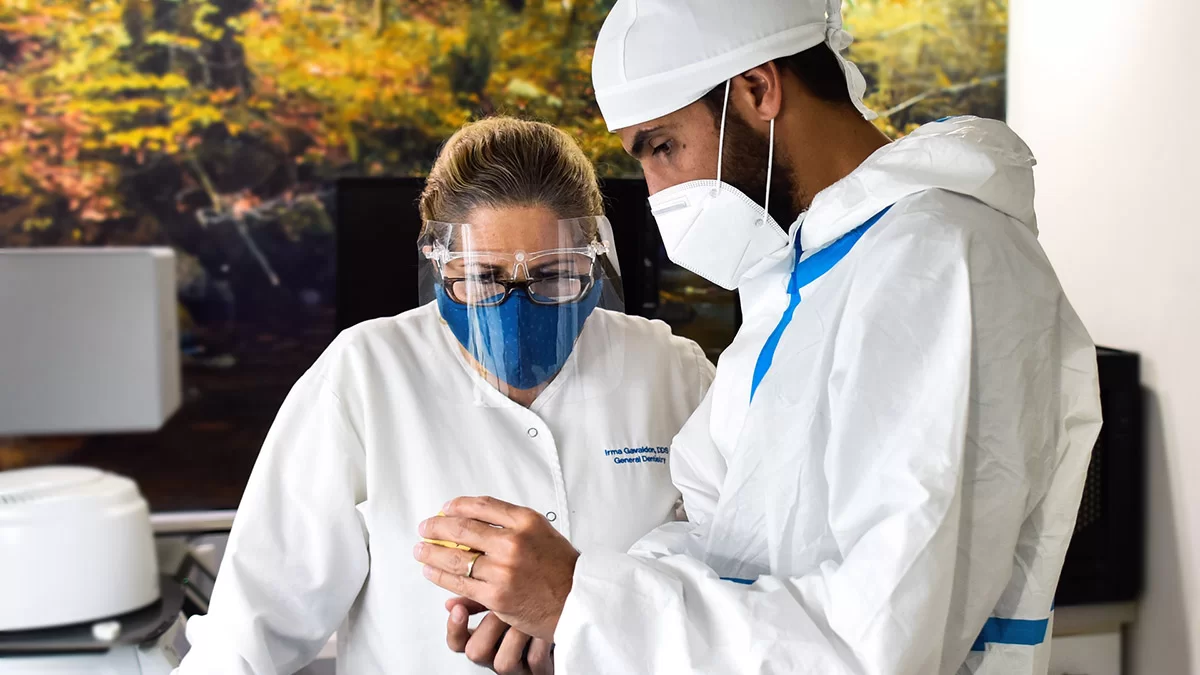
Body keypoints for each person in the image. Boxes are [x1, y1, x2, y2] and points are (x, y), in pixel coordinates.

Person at [414, 1, 1104, 674]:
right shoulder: (799, 280)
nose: (656, 190)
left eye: (662, 146)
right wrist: (566, 612)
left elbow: (884, 641)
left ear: (757, 88)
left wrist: (583, 601)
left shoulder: (941, 262)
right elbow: (722, 543)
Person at [174, 117, 715, 674]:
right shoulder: (367, 373)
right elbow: (250, 630)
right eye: (481, 277)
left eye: (555, 275)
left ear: (592, 260)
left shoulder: (671, 371)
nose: (516, 307)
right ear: (438, 265)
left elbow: (731, 576)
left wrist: (589, 608)